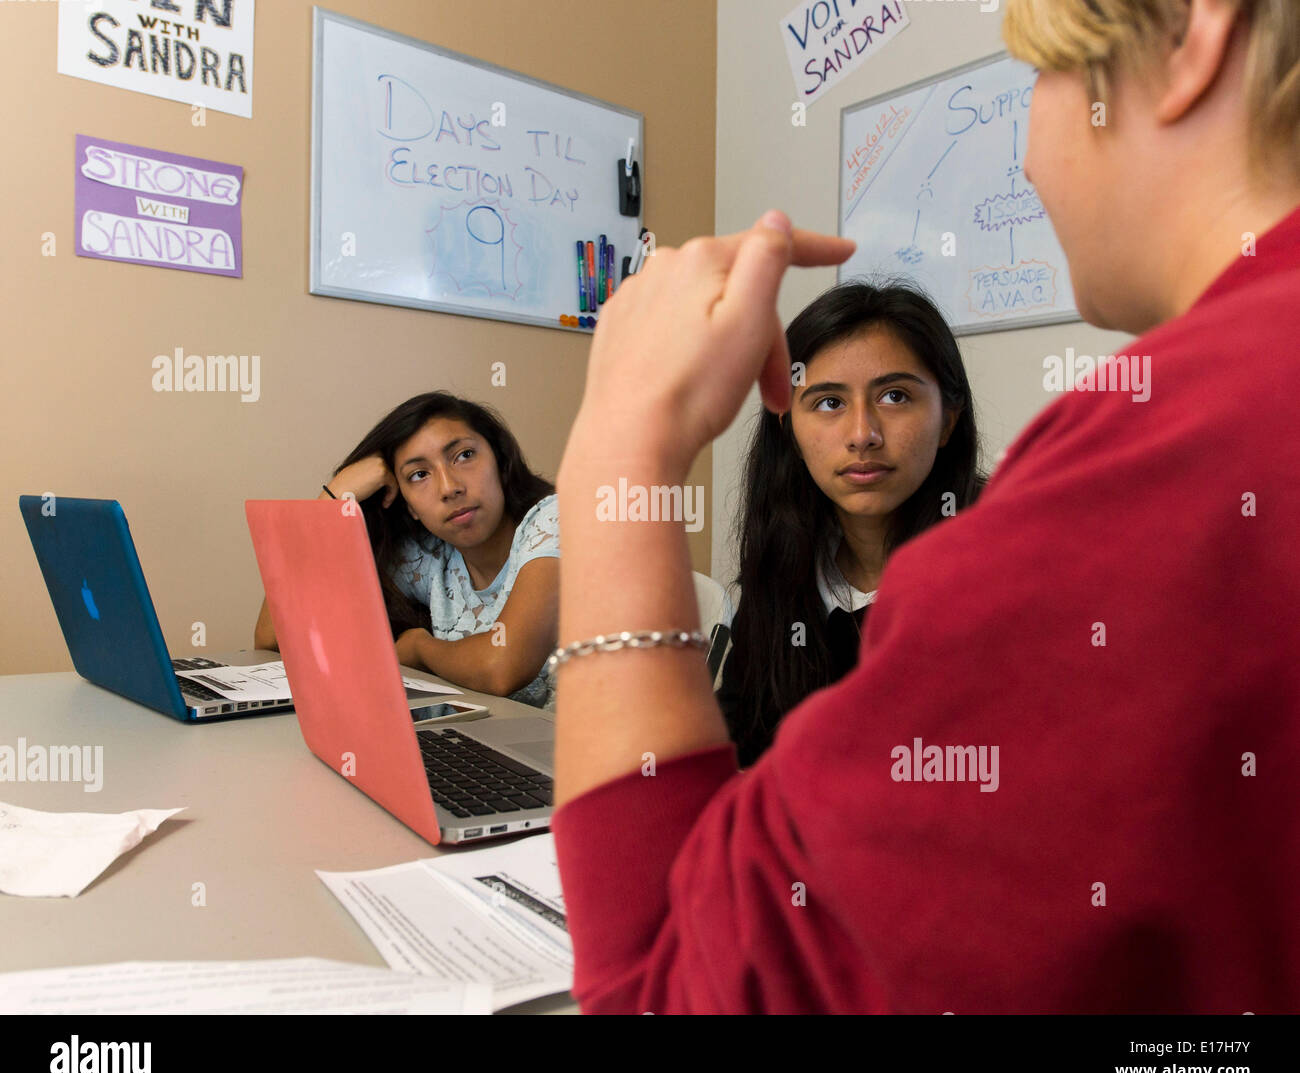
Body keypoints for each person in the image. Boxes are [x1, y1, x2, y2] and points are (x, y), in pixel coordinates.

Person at [548, 0, 1300, 1012]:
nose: (1030, 159)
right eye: (825, 401)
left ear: (1190, 27)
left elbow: (664, 993)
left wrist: (619, 441)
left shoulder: (1160, 463)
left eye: (1037, 76)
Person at [717, 281, 983, 765]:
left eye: (895, 396)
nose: (863, 434)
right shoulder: (786, 568)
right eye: (829, 403)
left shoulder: (1008, 561)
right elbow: (741, 752)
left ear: (948, 420)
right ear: (789, 430)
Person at [254, 391, 559, 707]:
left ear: (500, 459)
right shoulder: (432, 558)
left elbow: (500, 668)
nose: (449, 487)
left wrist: (419, 649)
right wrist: (333, 497)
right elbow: (270, 638)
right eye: (419, 475)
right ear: (409, 505)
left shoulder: (553, 520)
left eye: (465, 455)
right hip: (497, 740)